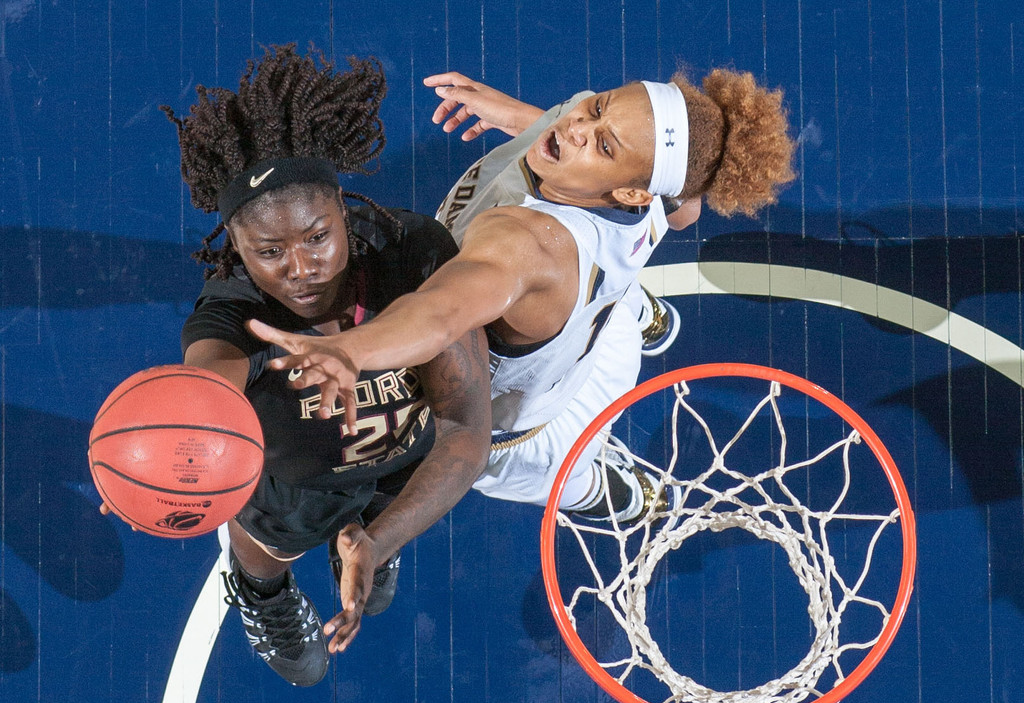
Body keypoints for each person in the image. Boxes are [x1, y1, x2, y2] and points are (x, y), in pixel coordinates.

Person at [249, 65, 796, 524]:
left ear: (631, 189)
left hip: (531, 431)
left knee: (553, 475)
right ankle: (638, 309)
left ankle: (601, 493)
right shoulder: (653, 185)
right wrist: (517, 115)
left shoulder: (527, 245)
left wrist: (354, 350)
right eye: (598, 107)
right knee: (609, 298)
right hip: (607, 337)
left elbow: (440, 312)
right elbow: (686, 210)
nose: (580, 124)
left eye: (603, 144)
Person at [154, 45, 491, 688]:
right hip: (298, 486)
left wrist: (381, 539)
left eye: (316, 236)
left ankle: (364, 538)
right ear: (237, 248)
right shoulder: (231, 319)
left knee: (381, 550)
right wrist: (156, 445)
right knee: (264, 548)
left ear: (343, 207)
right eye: (270, 250)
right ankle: (265, 598)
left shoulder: (412, 254)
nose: (301, 267)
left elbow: (467, 430)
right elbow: (203, 387)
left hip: (405, 459)